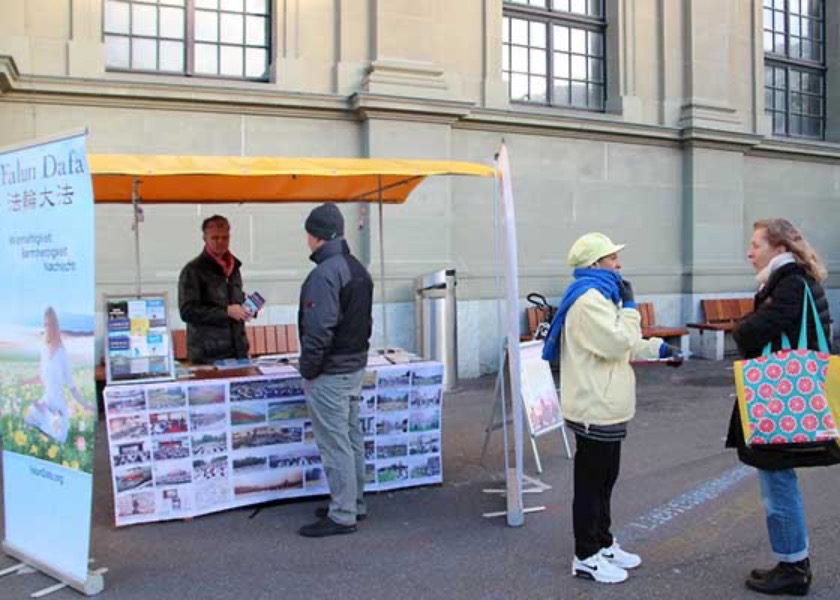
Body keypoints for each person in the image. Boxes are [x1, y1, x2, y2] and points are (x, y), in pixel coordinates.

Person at [542, 232, 682, 584]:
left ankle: (603, 543)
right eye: (611, 258)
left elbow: (624, 343)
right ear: (594, 265)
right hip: (595, 407)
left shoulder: (601, 296)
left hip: (605, 405)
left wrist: (659, 350)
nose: (619, 264)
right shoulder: (589, 299)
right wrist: (632, 308)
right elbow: (618, 341)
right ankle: (586, 555)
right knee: (592, 485)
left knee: (605, 481)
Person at [728, 218, 835, 597]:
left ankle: (793, 567)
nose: (749, 251)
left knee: (778, 481)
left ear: (778, 248)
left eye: (755, 244)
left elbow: (756, 330)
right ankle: (793, 560)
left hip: (779, 399)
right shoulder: (798, 280)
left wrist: (741, 327)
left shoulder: (789, 283)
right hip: (790, 395)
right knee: (778, 478)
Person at [297, 203, 374, 538]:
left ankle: (343, 513)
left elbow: (319, 330)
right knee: (351, 436)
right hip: (354, 365)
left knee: (335, 443)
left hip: (331, 371)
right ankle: (353, 502)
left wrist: (308, 368)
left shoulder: (324, 274)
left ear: (315, 236)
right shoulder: (357, 268)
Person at [178, 215, 251, 364]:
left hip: (238, 351)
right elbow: (187, 311)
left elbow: (231, 298)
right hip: (207, 356)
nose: (220, 242)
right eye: (215, 238)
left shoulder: (234, 267)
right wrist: (226, 312)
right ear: (205, 238)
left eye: (225, 238)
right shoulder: (193, 270)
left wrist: (246, 305)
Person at [23, 307, 89, 444]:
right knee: (29, 417)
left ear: (56, 325)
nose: (48, 328)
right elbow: (41, 377)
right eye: (46, 324)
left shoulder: (62, 353)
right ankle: (45, 420)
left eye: (51, 324)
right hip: (45, 403)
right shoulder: (44, 350)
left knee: (59, 436)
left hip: (58, 407)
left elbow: (71, 387)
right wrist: (23, 382)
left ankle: (52, 422)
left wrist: (86, 405)